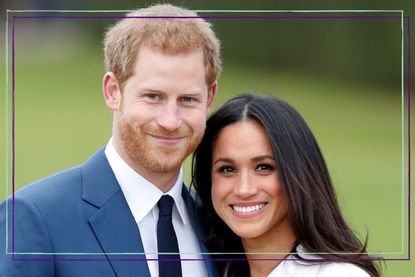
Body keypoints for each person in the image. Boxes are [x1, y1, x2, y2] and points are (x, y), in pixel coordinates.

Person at [0, 4, 221, 276]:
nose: (170, 121)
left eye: (188, 99)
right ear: (112, 91)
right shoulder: (35, 219)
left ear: (209, 98)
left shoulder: (218, 224)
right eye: (153, 96)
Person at [192, 94, 381, 277]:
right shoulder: (215, 268)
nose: (244, 189)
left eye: (264, 167)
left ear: (298, 174)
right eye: (227, 169)